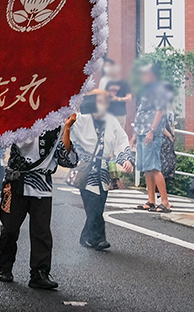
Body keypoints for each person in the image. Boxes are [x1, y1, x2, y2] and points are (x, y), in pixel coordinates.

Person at [0, 120, 78, 289]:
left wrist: (68, 128)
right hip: (15, 182)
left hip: (42, 186)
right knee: (9, 229)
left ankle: (39, 273)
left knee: (41, 232)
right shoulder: (22, 118)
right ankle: (5, 266)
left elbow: (68, 160)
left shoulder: (58, 127)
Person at [72, 91, 133, 250]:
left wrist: (125, 159)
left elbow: (121, 140)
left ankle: (86, 237)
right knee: (93, 205)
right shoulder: (80, 120)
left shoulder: (111, 121)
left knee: (98, 205)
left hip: (105, 170)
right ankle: (98, 239)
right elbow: (67, 131)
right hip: (87, 170)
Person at [133, 63, 171, 213]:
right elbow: (141, 113)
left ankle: (165, 202)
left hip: (151, 134)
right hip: (143, 132)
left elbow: (160, 111)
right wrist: (135, 135)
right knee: (147, 169)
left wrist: (151, 131)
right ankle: (151, 201)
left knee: (154, 167)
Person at [100, 60, 132, 130]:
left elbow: (129, 97)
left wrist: (118, 99)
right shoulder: (108, 83)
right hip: (108, 114)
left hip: (120, 114)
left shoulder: (124, 83)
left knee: (119, 136)